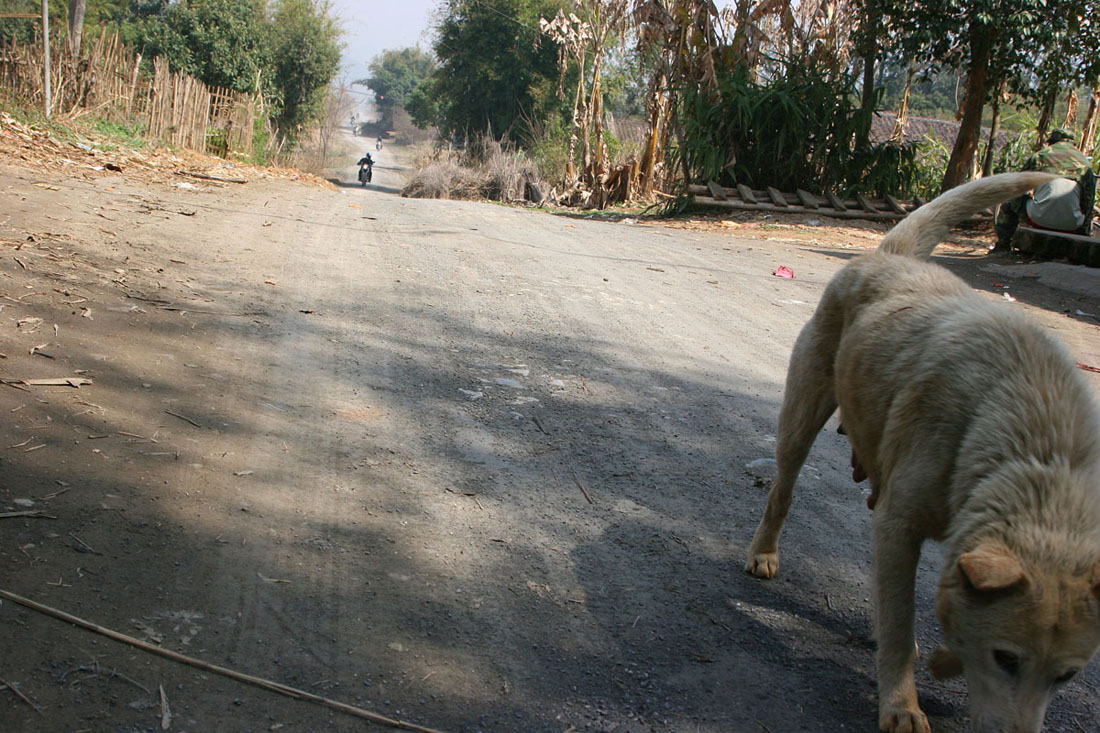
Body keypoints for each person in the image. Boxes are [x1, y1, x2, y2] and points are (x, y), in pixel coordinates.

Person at [994, 128, 1096, 251]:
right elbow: (1088, 202)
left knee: (1009, 198)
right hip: (1072, 224)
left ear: (1051, 142)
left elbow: (1018, 187)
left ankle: (1003, 244)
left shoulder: (1040, 156)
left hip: (1039, 219)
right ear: (1073, 143)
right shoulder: (1084, 163)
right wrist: (1083, 235)